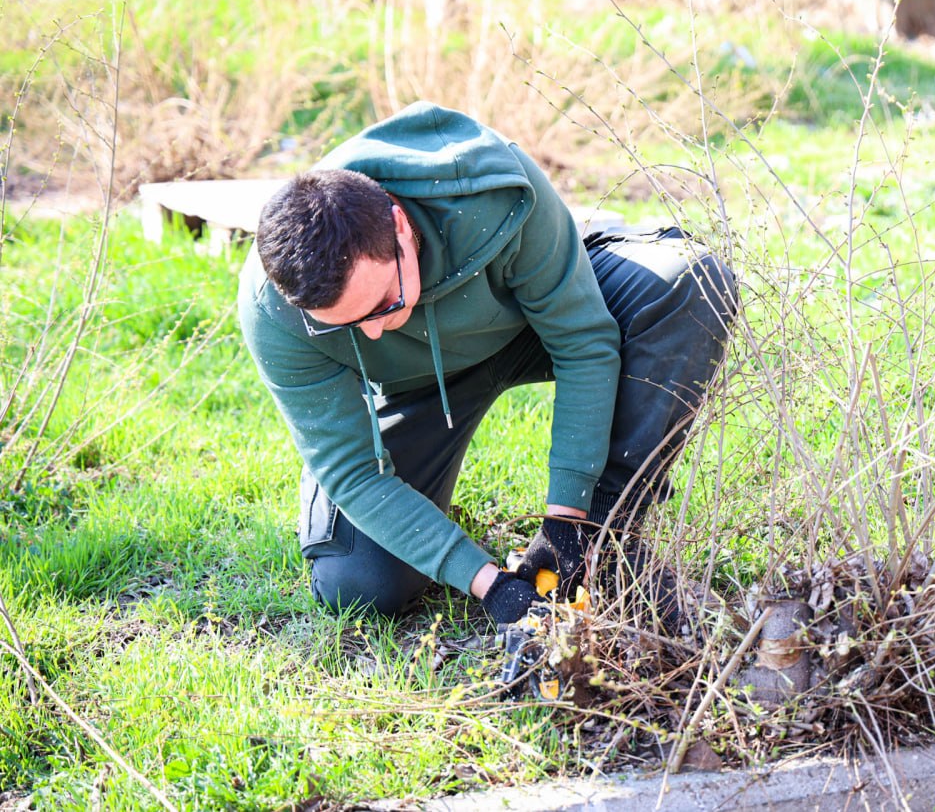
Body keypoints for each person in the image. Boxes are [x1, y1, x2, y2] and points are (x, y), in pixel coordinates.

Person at [238, 102, 737, 631]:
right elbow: (355, 474)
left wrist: (569, 521)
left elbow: (583, 341)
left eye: (383, 303)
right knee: (360, 586)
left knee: (691, 282)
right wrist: (489, 584)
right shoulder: (274, 314)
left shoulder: (487, 187)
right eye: (348, 325)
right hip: (413, 385)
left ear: (400, 227)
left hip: (526, 327)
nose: (375, 331)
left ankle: (604, 538)